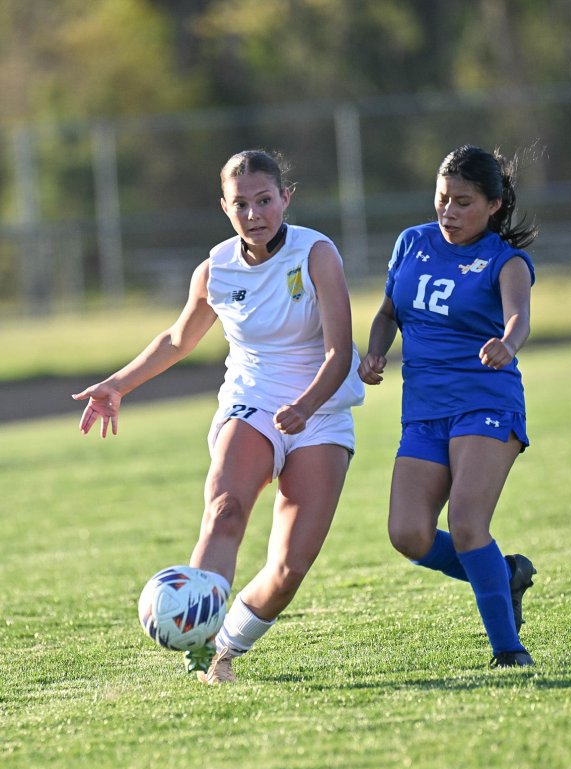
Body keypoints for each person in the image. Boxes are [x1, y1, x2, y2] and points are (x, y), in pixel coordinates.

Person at [73, 149, 364, 684]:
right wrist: (118, 385)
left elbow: (339, 352)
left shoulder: (316, 253)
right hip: (251, 400)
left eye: (264, 200)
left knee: (288, 568)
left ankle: (226, 649)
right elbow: (178, 338)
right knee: (226, 508)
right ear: (224, 208)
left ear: (285, 199)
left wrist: (304, 406)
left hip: (319, 410)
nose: (254, 214)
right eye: (241, 204)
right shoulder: (216, 268)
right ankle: (199, 638)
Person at [358, 144, 538, 668]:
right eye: (442, 199)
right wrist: (374, 352)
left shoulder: (507, 262)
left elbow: (519, 319)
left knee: (465, 524)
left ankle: (509, 651)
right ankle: (501, 576)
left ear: (493, 206)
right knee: (408, 534)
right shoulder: (411, 243)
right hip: (424, 410)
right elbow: (388, 312)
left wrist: (508, 343)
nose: (448, 212)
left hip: (486, 401)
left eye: (463, 202)